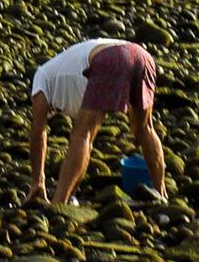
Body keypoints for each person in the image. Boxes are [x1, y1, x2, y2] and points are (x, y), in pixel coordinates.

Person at [26, 37, 166, 206]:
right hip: (142, 55)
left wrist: (37, 182)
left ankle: (58, 204)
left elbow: (37, 133)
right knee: (145, 128)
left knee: (81, 135)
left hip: (110, 59)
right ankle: (161, 193)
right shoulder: (63, 74)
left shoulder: (41, 77)